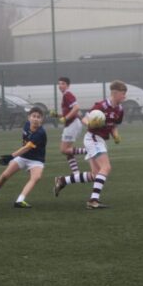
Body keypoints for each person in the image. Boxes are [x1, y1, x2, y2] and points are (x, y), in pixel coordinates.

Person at [53, 80, 127, 209]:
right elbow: (85, 119)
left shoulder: (120, 109)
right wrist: (91, 124)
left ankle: (62, 180)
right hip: (93, 138)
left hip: (99, 139)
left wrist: (116, 136)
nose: (124, 96)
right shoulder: (101, 106)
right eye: (123, 94)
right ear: (115, 93)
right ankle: (93, 201)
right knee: (106, 167)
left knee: (95, 175)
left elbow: (114, 125)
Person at [0, 106, 47, 209]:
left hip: (36, 160)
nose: (35, 119)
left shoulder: (40, 133)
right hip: (23, 157)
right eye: (33, 116)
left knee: (36, 178)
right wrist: (13, 158)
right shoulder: (26, 125)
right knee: (5, 175)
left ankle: (20, 200)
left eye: (38, 117)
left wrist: (11, 157)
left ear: (42, 119)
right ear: (29, 117)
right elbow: (25, 148)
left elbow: (27, 148)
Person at [51, 77, 87, 174]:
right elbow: (71, 112)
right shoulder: (65, 95)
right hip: (72, 124)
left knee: (64, 149)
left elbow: (76, 108)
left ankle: (88, 151)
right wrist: (57, 115)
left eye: (63, 83)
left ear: (67, 85)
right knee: (68, 150)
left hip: (72, 124)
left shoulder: (67, 94)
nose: (60, 85)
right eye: (59, 83)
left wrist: (66, 118)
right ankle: (76, 173)